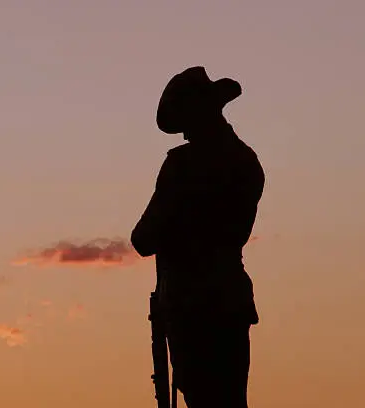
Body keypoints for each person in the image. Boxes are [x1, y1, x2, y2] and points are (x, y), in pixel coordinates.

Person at [131, 66, 265, 408]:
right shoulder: (246, 160)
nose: (185, 133)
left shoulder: (182, 164)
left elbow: (143, 238)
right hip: (229, 300)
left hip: (192, 306)